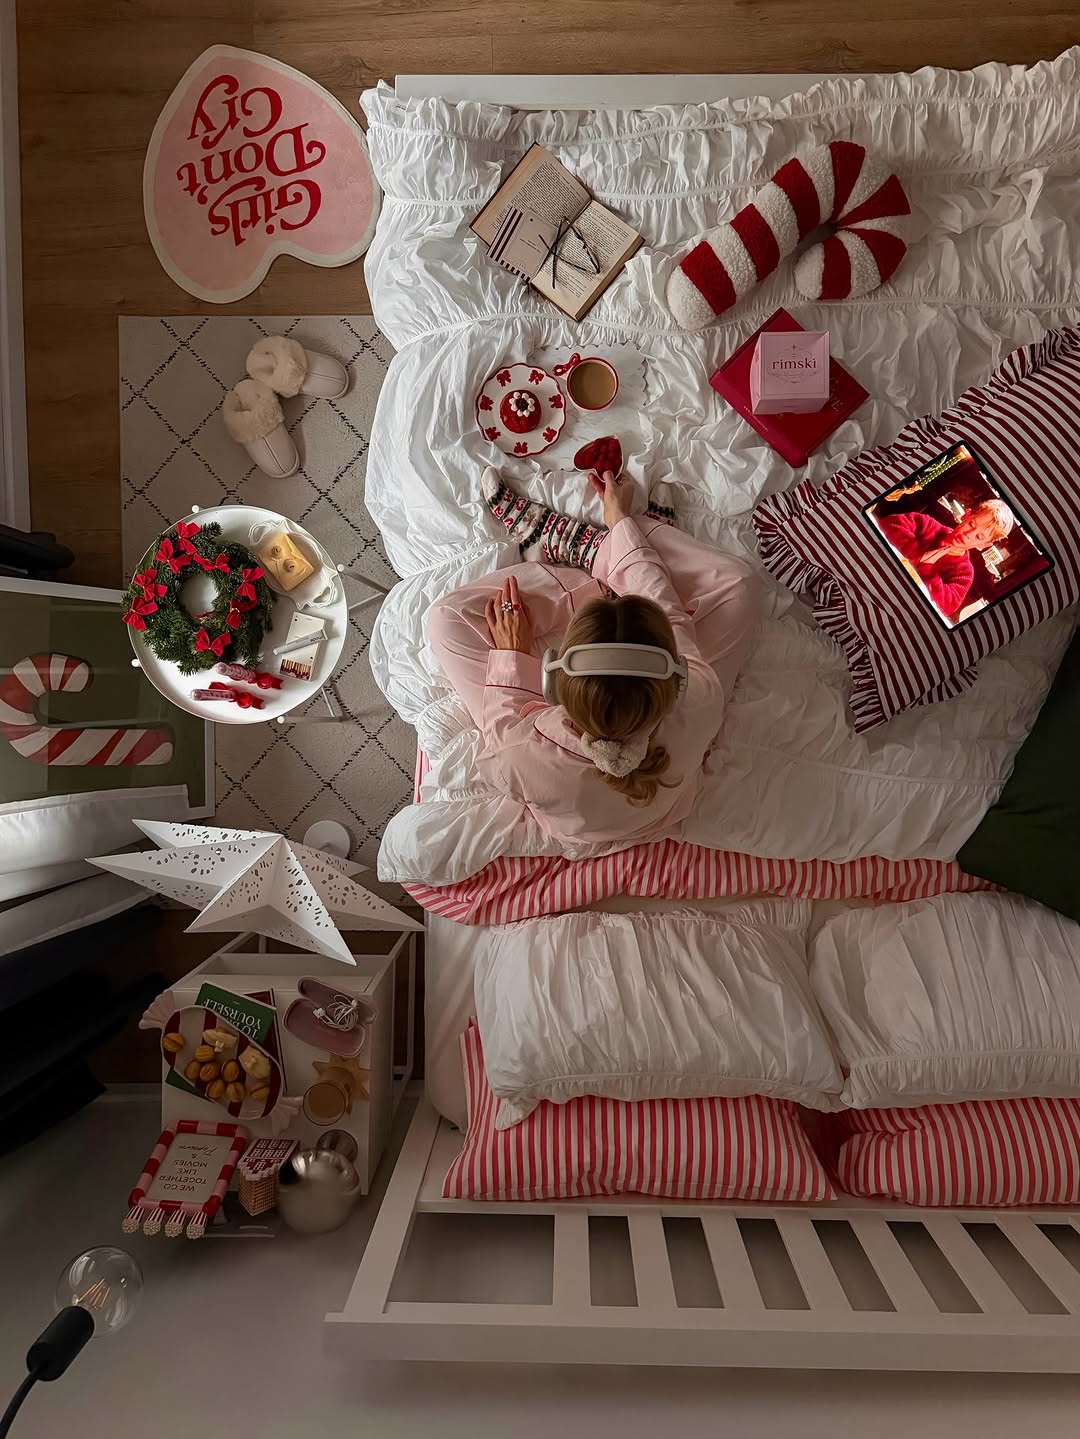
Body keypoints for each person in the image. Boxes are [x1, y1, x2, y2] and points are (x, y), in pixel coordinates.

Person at [425, 468, 761, 846]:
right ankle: (613, 549)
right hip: (667, 797)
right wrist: (620, 521)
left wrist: (511, 653)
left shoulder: (519, 752)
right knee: (739, 586)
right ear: (676, 677)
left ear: (553, 683)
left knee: (445, 619)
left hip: (571, 807)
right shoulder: (698, 693)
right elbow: (665, 608)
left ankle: (574, 546)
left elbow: (502, 729)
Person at [875, 498, 1015, 617]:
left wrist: (927, 568)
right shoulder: (928, 524)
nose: (968, 535)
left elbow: (946, 607)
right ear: (965, 516)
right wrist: (917, 556)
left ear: (984, 545)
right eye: (971, 524)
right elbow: (888, 524)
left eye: (979, 537)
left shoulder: (964, 572)